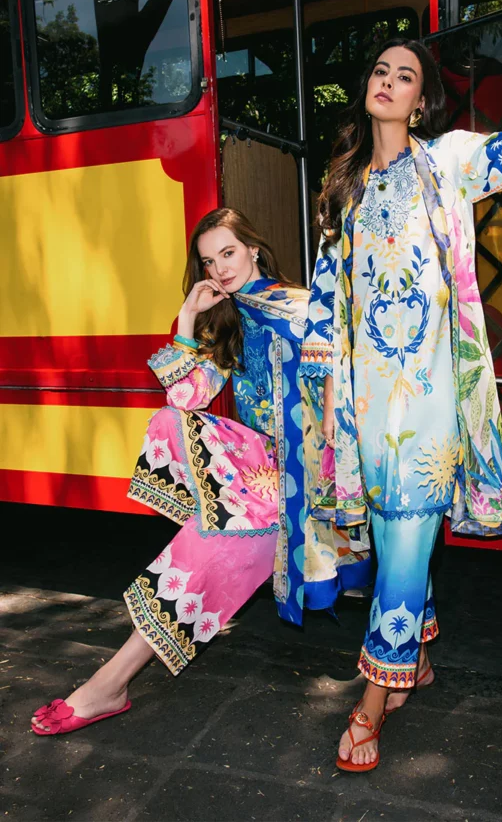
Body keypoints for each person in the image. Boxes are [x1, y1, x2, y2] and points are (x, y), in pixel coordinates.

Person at [300, 0, 502, 772]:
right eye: (381, 70)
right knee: (393, 536)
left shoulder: (451, 159)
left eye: (405, 75)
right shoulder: (343, 189)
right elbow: (329, 306)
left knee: (403, 541)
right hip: (366, 405)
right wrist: (328, 405)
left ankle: (370, 705)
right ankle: (419, 658)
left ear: (422, 101)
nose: (388, 80)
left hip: (430, 404)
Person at [31, 207, 370, 736]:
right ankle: (109, 684)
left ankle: (109, 685)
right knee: (172, 432)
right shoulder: (232, 321)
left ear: (253, 249)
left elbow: (347, 370)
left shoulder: (301, 307)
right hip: (260, 475)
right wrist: (188, 318)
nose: (221, 269)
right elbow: (185, 398)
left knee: (208, 544)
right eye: (209, 262)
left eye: (228, 253)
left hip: (309, 475)